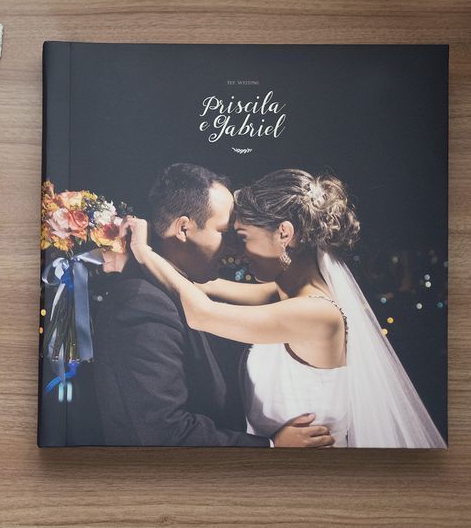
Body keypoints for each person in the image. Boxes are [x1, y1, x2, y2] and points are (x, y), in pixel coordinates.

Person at [123, 167, 447, 448]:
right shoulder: (282, 296)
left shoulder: (316, 314)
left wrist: (144, 250)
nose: (236, 251)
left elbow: (201, 312)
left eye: (243, 236)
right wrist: (131, 258)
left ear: (283, 233)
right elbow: (199, 286)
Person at [92, 163, 334, 447]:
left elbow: (202, 305)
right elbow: (163, 432)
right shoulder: (141, 303)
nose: (235, 247)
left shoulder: (304, 303)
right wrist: (270, 448)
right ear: (183, 228)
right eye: (226, 232)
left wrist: (145, 254)